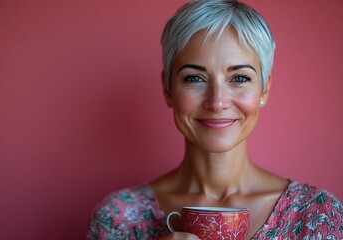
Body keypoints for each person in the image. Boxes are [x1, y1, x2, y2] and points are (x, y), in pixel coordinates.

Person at [86, 0, 343, 239]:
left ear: (263, 90)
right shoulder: (116, 220)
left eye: (240, 78)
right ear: (167, 89)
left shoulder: (317, 215)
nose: (217, 101)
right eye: (194, 78)